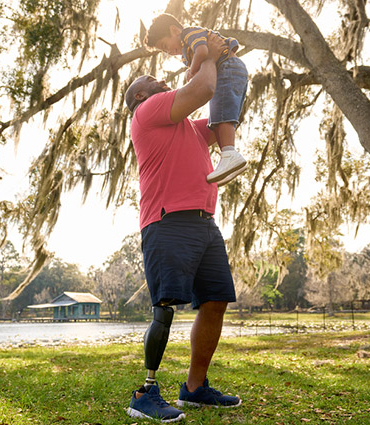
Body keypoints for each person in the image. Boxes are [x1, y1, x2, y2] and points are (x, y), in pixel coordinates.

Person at [123, 33, 242, 422]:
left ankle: (194, 388)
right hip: (166, 220)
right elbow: (203, 86)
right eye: (150, 83)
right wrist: (201, 48)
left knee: (215, 300)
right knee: (165, 308)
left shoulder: (186, 126)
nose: (159, 81)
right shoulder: (148, 112)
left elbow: (223, 109)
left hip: (205, 223)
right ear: (141, 97)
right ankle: (146, 393)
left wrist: (227, 65)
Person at [145, 13, 248, 186]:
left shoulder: (189, 34)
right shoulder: (186, 48)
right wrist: (191, 70)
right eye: (164, 51)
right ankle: (228, 158)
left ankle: (230, 153)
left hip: (228, 68)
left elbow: (203, 51)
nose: (169, 52)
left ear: (174, 30)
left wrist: (192, 71)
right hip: (228, 70)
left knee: (221, 111)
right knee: (218, 116)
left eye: (165, 45)